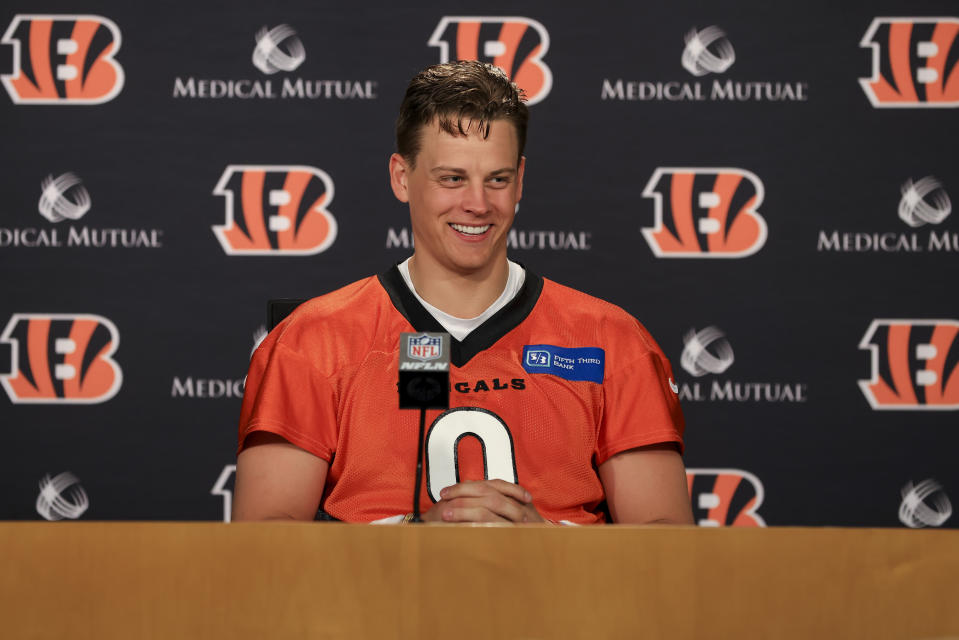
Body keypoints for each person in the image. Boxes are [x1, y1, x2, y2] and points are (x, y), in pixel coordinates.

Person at [233, 61, 693, 525]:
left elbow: (666, 552)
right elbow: (265, 550)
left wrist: (549, 549)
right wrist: (415, 546)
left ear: (520, 180)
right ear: (401, 177)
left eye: (497, 179)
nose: (478, 203)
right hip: (377, 599)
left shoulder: (613, 342)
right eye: (451, 178)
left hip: (559, 598)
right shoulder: (313, 342)